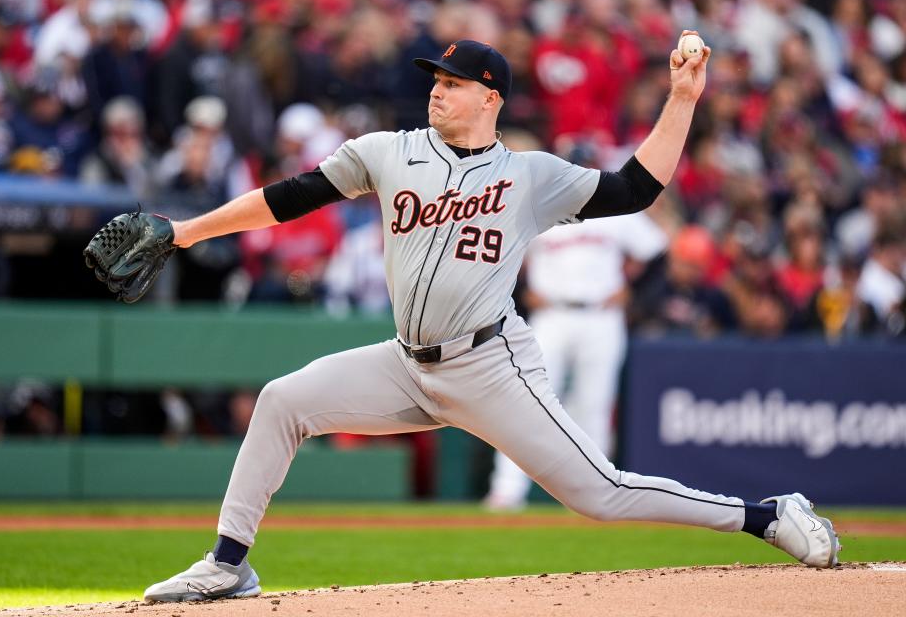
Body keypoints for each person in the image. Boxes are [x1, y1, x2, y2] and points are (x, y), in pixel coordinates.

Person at [137, 34, 840, 603]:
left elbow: (634, 188)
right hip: (407, 363)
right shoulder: (389, 152)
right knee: (282, 401)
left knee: (600, 495)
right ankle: (228, 565)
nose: (437, 89)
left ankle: (768, 516)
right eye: (435, 79)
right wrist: (185, 232)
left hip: (491, 365)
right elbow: (287, 198)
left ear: (489, 97)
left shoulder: (530, 176)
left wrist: (682, 99)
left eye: (452, 81)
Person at [484, 211, 667, 511]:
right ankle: (506, 491)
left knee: (594, 406)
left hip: (601, 315)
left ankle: (593, 495)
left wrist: (634, 294)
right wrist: (517, 294)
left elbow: (658, 250)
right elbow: (496, 254)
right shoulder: (541, 202)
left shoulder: (613, 211)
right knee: (526, 401)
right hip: (551, 314)